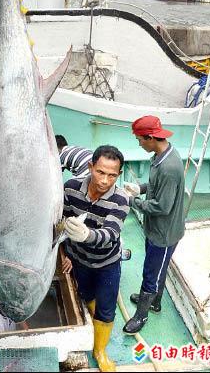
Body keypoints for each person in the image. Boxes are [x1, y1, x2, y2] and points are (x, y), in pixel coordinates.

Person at [62, 145, 130, 372]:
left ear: (118, 175)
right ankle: (93, 313)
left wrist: (86, 235)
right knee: (86, 294)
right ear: (91, 166)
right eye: (100, 172)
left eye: (112, 175)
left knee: (107, 308)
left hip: (106, 263)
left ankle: (100, 350)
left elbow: (110, 233)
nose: (104, 180)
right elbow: (59, 222)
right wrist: (64, 254)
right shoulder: (70, 188)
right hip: (78, 260)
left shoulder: (121, 199)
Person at [122, 115, 185, 335]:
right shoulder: (161, 155)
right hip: (156, 229)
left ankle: (142, 314)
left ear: (151, 138)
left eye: (140, 140)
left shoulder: (169, 167)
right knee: (157, 269)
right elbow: (156, 186)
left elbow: (162, 207)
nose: (139, 144)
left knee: (152, 273)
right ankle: (155, 302)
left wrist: (132, 201)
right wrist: (139, 188)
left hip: (164, 233)